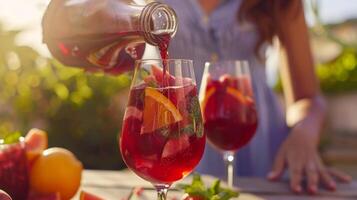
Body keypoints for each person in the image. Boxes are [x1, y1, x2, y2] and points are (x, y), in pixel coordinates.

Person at [42, 0, 352, 194]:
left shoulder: (280, 4)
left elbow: (308, 97)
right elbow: (84, 17)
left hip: (261, 146)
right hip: (175, 138)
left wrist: (303, 133)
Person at [161, 0, 351, 194]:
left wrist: (303, 134)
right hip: (179, 141)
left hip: (259, 142)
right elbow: (130, 58)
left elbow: (307, 97)